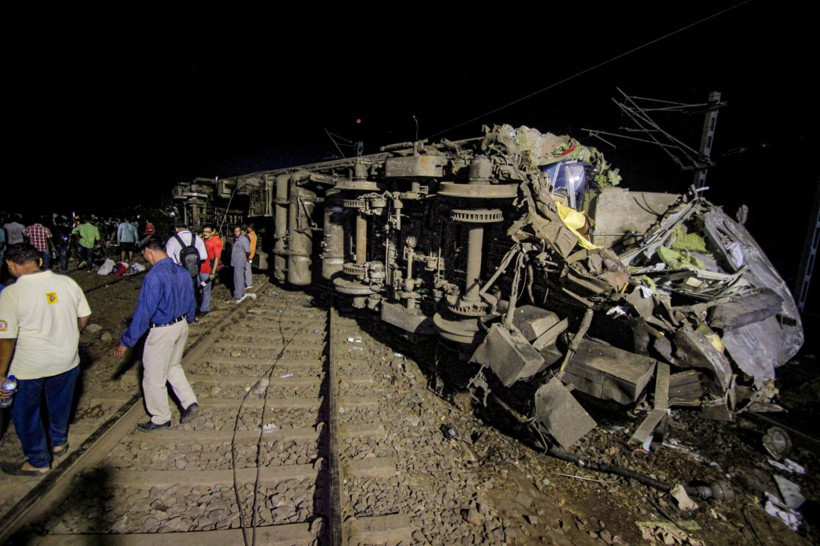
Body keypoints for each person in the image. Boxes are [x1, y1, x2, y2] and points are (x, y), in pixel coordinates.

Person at [0, 244, 91, 475]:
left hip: (27, 368)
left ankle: (38, 461)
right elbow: (84, 315)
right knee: (60, 405)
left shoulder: (11, 294)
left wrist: (0, 373)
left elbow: (7, 338)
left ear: (11, 265)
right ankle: (58, 442)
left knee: (26, 414)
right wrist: (67, 334)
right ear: (39, 261)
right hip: (66, 361)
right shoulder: (67, 283)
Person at [114, 236, 199, 431]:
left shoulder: (154, 276)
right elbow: (191, 300)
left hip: (162, 331)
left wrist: (126, 341)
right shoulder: (182, 271)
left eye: (145, 256)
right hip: (181, 325)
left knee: (153, 376)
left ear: (150, 252)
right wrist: (190, 319)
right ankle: (189, 403)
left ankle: (161, 418)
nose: (146, 260)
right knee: (173, 367)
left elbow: (144, 313)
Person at [198, 224, 222, 317]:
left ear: (212, 232)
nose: (205, 234)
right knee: (200, 288)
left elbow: (217, 257)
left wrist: (213, 272)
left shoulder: (216, 242)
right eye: (204, 232)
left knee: (206, 290)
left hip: (208, 269)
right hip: (200, 268)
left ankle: (205, 309)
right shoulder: (202, 240)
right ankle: (203, 305)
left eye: (207, 232)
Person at [229, 225, 254, 303]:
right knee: (239, 278)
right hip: (236, 261)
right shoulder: (237, 239)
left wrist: (245, 258)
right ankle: (241, 293)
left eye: (238, 231)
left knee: (238, 279)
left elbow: (248, 251)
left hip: (240, 262)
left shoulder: (243, 240)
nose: (236, 233)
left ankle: (238, 296)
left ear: (241, 231)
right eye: (235, 231)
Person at [243, 223, 257, 290]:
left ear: (250, 228)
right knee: (248, 269)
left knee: (246, 270)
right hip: (251, 254)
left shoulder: (249, 236)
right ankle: (248, 283)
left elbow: (249, 247)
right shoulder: (254, 235)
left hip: (248, 255)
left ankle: (248, 284)